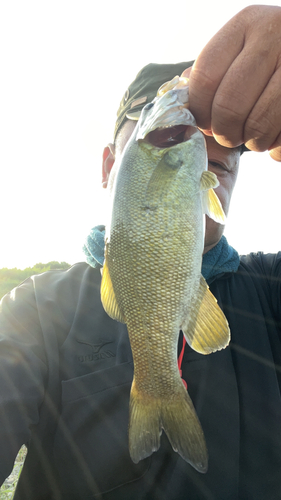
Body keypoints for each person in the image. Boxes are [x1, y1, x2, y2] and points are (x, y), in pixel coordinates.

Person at [1, 4, 281, 499]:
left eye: (221, 159)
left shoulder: (272, 294)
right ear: (110, 166)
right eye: (156, 139)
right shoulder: (37, 313)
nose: (199, 151)